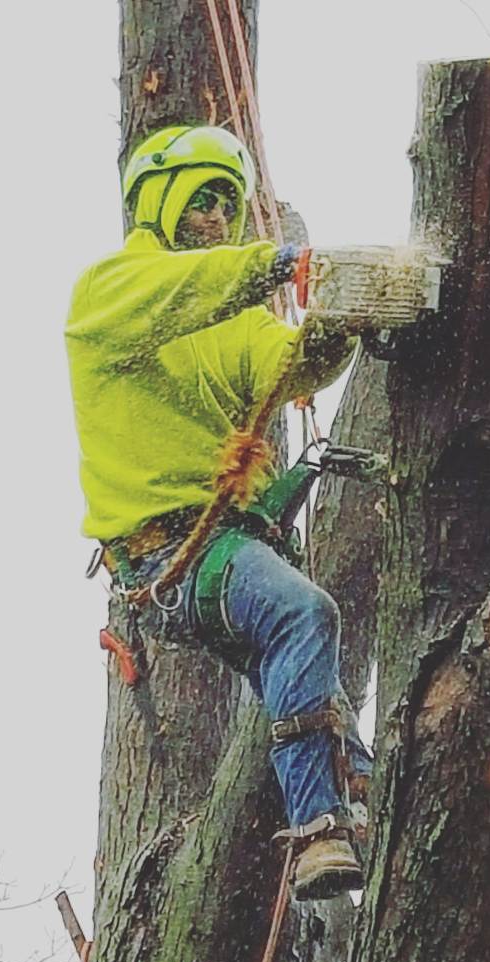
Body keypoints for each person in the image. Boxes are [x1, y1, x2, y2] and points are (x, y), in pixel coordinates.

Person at [65, 124, 373, 899]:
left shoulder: (232, 318)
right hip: (166, 555)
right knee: (303, 615)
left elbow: (293, 368)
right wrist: (277, 262)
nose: (212, 215)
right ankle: (317, 830)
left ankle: (365, 789)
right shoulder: (114, 291)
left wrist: (337, 314)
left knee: (309, 678)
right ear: (158, 202)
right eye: (199, 198)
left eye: (225, 203)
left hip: (219, 549)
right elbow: (188, 289)